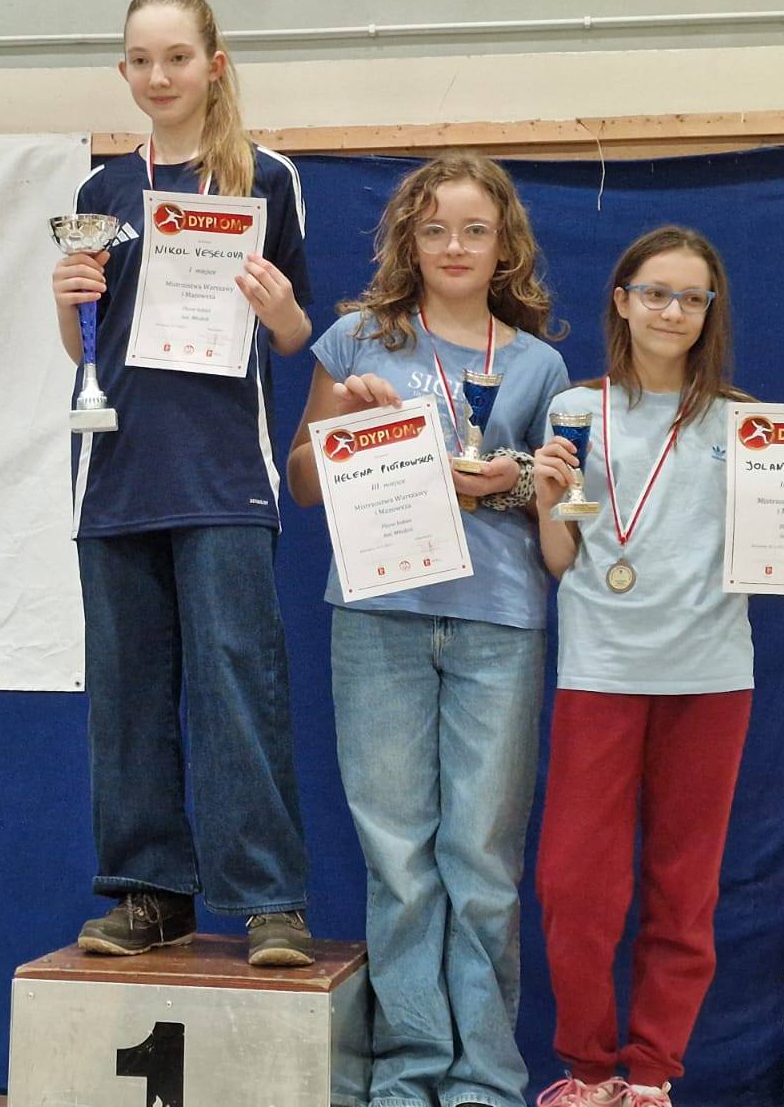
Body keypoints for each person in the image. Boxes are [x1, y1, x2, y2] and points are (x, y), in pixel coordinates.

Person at [531, 225, 784, 1107]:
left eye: (692, 298)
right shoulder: (575, 409)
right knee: (576, 889)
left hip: (710, 679)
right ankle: (587, 1071)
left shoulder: (746, 424)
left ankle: (651, 1077)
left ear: (710, 311)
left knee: (682, 888)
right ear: (622, 300)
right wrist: (546, 498)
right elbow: (560, 560)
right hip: (601, 672)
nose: (672, 311)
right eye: (656, 292)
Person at [288, 153, 570, 1107]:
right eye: (436, 228)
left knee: (482, 863)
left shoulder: (537, 365)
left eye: (475, 230)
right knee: (399, 858)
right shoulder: (356, 341)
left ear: (504, 247)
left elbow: (561, 496)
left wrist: (515, 479)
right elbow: (302, 481)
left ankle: (484, 1077)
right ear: (409, 238)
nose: (455, 246)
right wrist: (351, 426)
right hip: (379, 616)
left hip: (499, 620)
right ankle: (409, 1072)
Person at [49, 0, 316, 966]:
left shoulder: (268, 178)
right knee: (126, 697)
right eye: (139, 60)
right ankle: (150, 891)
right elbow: (85, 348)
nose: (157, 76)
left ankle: (269, 901)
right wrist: (67, 298)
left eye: (175, 57)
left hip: (223, 474)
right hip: (116, 470)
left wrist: (280, 308)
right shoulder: (101, 192)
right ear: (123, 70)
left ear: (214, 64)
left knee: (238, 687)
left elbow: (294, 336)